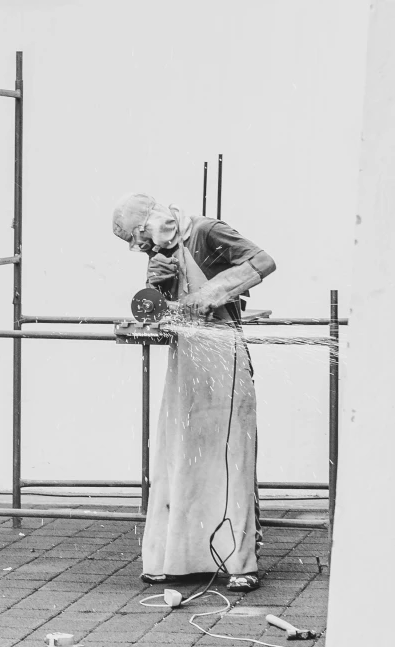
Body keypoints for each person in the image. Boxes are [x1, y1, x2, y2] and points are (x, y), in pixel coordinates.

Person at [112, 193, 276, 592]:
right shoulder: (164, 250)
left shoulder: (207, 231)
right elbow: (163, 309)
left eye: (142, 239)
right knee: (182, 454)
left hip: (224, 353)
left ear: (153, 222)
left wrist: (210, 294)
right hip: (186, 358)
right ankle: (178, 558)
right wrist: (158, 288)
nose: (144, 248)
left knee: (228, 456)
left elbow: (262, 261)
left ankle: (238, 560)